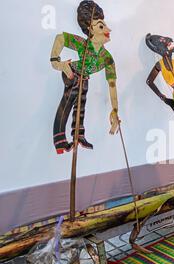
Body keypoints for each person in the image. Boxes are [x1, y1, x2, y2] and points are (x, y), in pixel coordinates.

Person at [50, 0, 120, 154]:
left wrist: (115, 110)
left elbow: (112, 84)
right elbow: (60, 38)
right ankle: (59, 141)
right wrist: (58, 63)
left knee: (81, 105)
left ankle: (78, 135)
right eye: (101, 26)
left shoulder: (106, 57)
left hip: (84, 77)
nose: (108, 29)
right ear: (90, 29)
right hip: (72, 73)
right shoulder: (83, 44)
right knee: (69, 101)